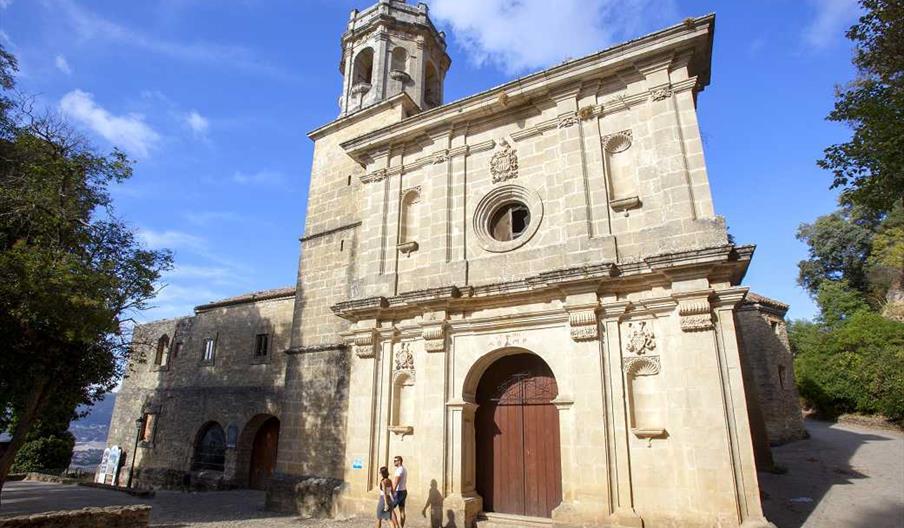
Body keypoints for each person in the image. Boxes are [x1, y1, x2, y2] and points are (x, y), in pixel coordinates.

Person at [392, 456, 408, 528]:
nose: (394, 462)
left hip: (398, 492)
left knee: (390, 509)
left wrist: (393, 491)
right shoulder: (404, 469)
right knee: (402, 510)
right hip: (404, 491)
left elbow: (396, 482)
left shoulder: (399, 470)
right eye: (394, 460)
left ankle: (396, 526)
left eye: (395, 460)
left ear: (400, 461)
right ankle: (401, 527)